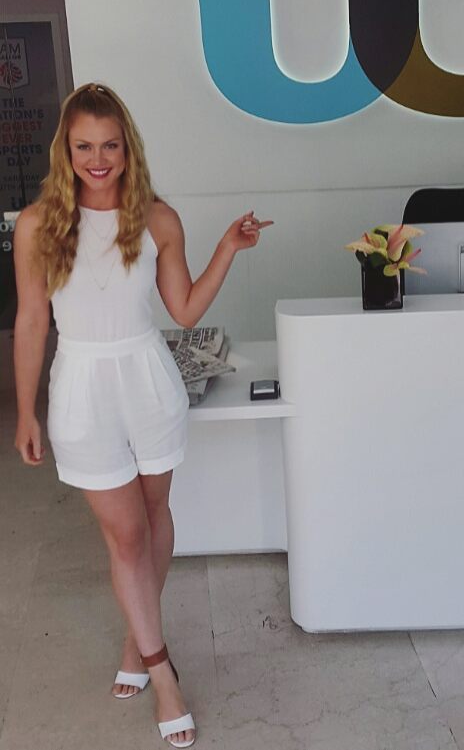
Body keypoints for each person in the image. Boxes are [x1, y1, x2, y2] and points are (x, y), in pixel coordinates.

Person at [13, 82, 273, 748]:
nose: (98, 160)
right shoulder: (39, 223)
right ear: (65, 151)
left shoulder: (156, 219)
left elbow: (183, 309)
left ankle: (137, 639)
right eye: (84, 147)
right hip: (80, 388)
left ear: (127, 148)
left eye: (110, 146)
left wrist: (226, 249)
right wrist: (26, 411)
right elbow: (32, 321)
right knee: (126, 536)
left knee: (155, 518)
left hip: (149, 382)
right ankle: (163, 674)